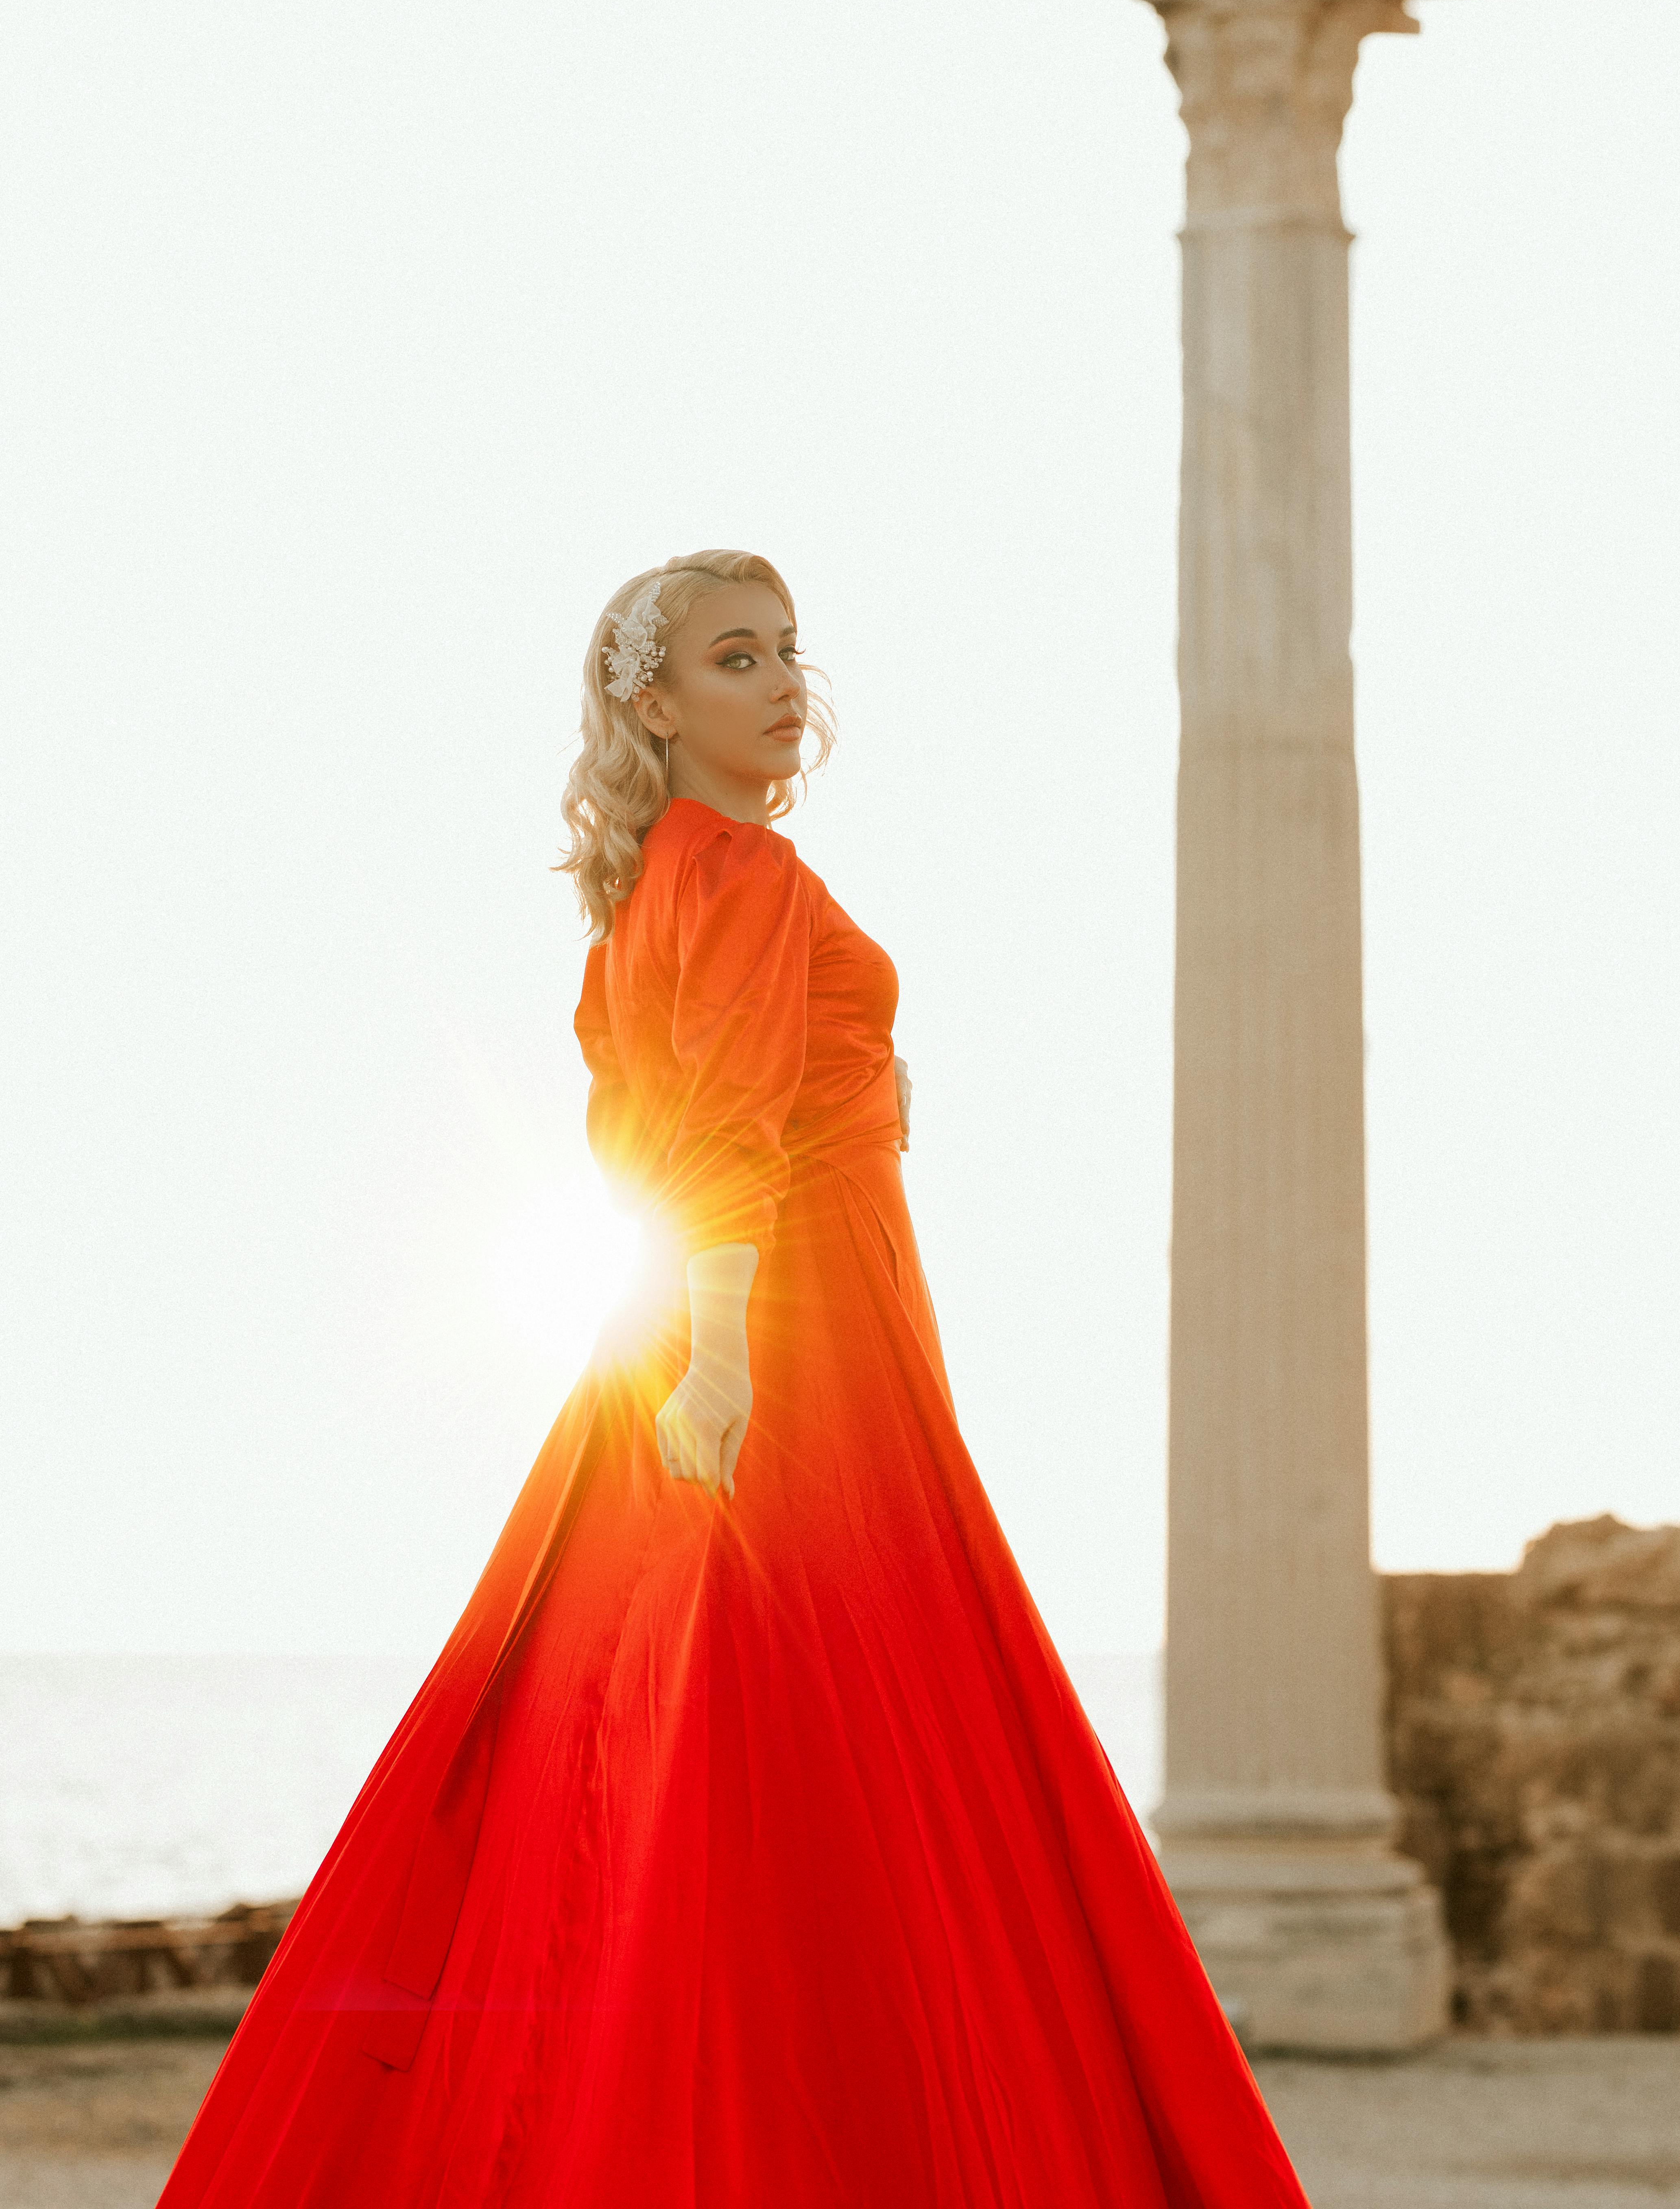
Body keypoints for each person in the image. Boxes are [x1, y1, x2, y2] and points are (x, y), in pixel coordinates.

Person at [159, 549, 1308, 2208]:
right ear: (650, 704)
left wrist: (854, 1086)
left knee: (687, 1723)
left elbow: (653, 1112)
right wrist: (721, 1349)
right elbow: (715, 1125)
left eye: (786, 651)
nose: (782, 684)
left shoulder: (660, 889)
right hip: (785, 1342)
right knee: (825, 1717)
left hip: (719, 1329)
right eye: (732, 658)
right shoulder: (746, 876)